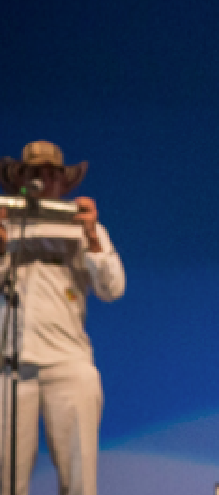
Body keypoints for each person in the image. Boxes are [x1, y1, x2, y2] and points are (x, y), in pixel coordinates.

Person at [0, 141, 125, 495]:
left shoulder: (83, 226)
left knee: (79, 476)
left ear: (63, 181)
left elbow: (112, 289)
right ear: (20, 178)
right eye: (35, 172)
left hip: (68, 363)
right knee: (5, 478)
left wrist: (92, 238)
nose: (44, 179)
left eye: (52, 173)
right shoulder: (6, 223)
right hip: (10, 366)